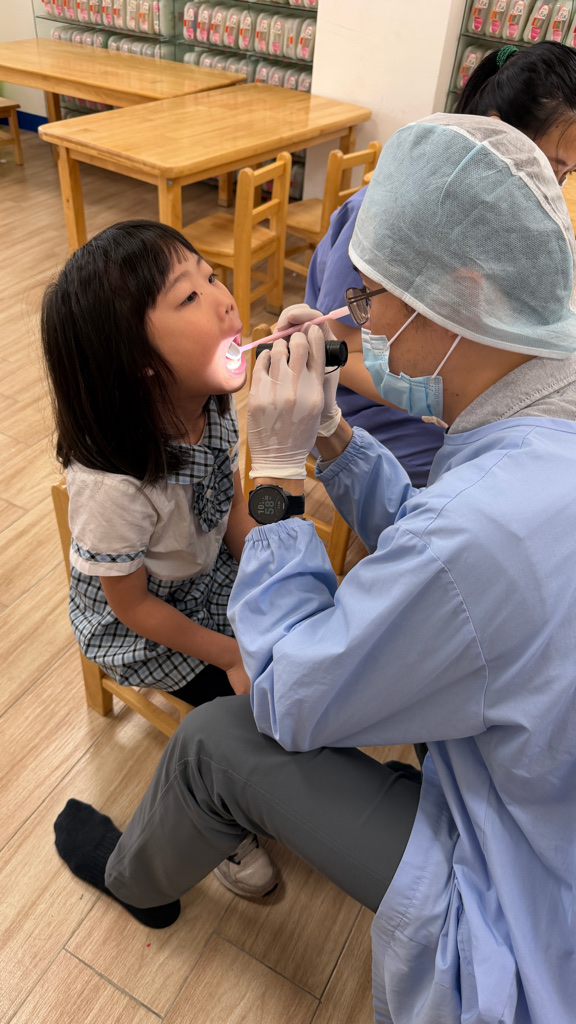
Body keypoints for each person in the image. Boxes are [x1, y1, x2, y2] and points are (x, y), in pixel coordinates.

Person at [53, 113, 576, 1024]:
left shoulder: (476, 522)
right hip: (166, 616)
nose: (352, 319)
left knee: (224, 733)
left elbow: (294, 685)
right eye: (191, 295)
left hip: (525, 899)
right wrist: (329, 432)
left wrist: (279, 476)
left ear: (457, 295)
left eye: (369, 298)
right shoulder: (538, 432)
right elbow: (432, 541)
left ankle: (154, 862)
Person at [42, 220, 276, 898]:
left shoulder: (212, 401)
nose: (225, 299)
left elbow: (231, 503)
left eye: (212, 276)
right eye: (189, 296)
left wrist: (271, 571)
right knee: (231, 719)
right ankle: (217, 820)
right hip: (141, 623)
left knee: (284, 650)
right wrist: (229, 654)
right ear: (136, 361)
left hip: (204, 578)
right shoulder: (112, 483)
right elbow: (132, 606)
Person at [302, 40, 576, 486]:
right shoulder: (387, 224)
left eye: (564, 177)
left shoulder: (502, 229)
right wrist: (434, 402)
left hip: (437, 385)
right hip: (369, 399)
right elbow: (340, 348)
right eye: (546, 168)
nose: (551, 192)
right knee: (467, 478)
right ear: (496, 134)